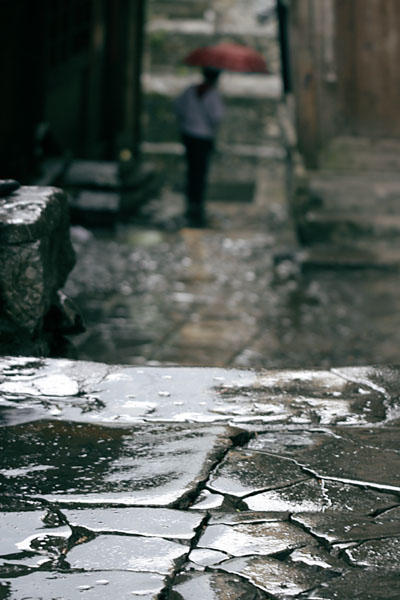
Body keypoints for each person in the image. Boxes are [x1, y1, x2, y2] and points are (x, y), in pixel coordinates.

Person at [175, 67, 225, 227]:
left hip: (189, 133)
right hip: (203, 136)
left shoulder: (190, 91)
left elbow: (177, 107)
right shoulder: (213, 94)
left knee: (191, 167)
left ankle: (191, 199)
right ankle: (197, 200)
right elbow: (217, 116)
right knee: (201, 169)